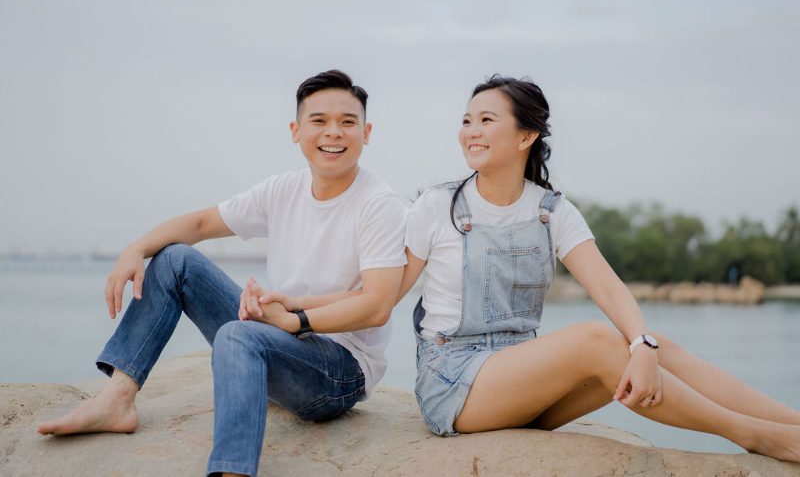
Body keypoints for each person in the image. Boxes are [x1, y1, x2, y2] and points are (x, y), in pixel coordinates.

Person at [396, 75, 800, 461]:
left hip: (526, 388)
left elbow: (608, 288)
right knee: (595, 339)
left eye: (486, 120)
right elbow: (387, 293)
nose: (471, 131)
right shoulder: (437, 207)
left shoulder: (551, 211)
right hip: (453, 387)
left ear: (526, 136)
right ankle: (752, 435)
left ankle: (791, 424)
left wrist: (642, 345)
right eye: (467, 120)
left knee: (653, 344)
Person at [36, 69, 407, 477]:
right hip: (278, 336)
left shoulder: (379, 204)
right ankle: (117, 399)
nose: (333, 133)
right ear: (296, 131)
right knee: (174, 259)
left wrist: (293, 320)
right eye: (318, 121)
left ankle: (232, 470)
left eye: (347, 122)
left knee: (238, 333)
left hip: (339, 372)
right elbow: (200, 225)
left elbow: (377, 306)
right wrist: (136, 249)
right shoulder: (284, 189)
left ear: (366, 132)